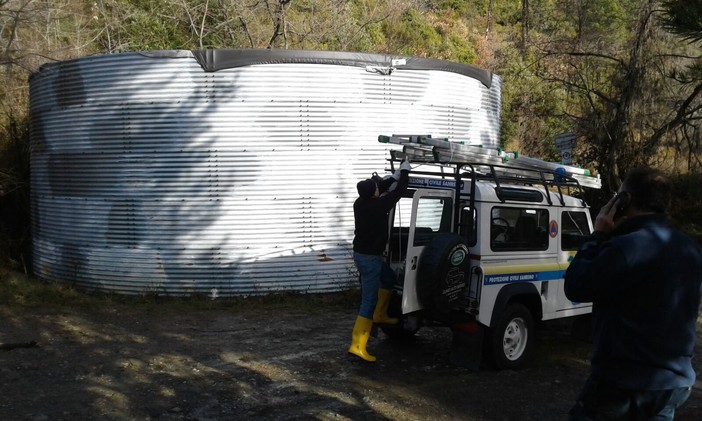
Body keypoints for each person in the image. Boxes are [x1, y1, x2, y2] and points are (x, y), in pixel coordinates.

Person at [564, 167, 702, 420]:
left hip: (625, 384)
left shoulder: (625, 248)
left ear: (624, 200)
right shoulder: (689, 249)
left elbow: (576, 286)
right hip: (673, 384)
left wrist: (597, 236)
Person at [348, 158, 411, 362]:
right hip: (370, 259)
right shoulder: (378, 206)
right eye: (376, 188)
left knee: (389, 277)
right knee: (368, 300)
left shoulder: (361, 202)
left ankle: (380, 315)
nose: (378, 188)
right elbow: (399, 192)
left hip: (363, 255)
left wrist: (393, 177)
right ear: (374, 194)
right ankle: (358, 346)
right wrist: (405, 173)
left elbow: (381, 188)